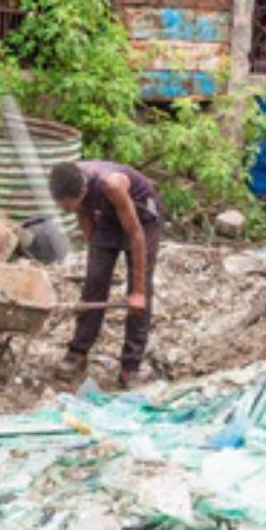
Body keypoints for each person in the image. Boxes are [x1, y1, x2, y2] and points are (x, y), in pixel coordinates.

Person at [48, 160, 163, 388]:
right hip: (109, 218)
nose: (66, 210)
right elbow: (84, 216)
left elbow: (136, 235)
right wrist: (98, 260)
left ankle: (130, 367)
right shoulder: (70, 178)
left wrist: (138, 291)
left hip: (142, 220)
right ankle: (78, 352)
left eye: (68, 205)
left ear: (82, 191)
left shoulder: (111, 185)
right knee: (94, 284)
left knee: (138, 297)